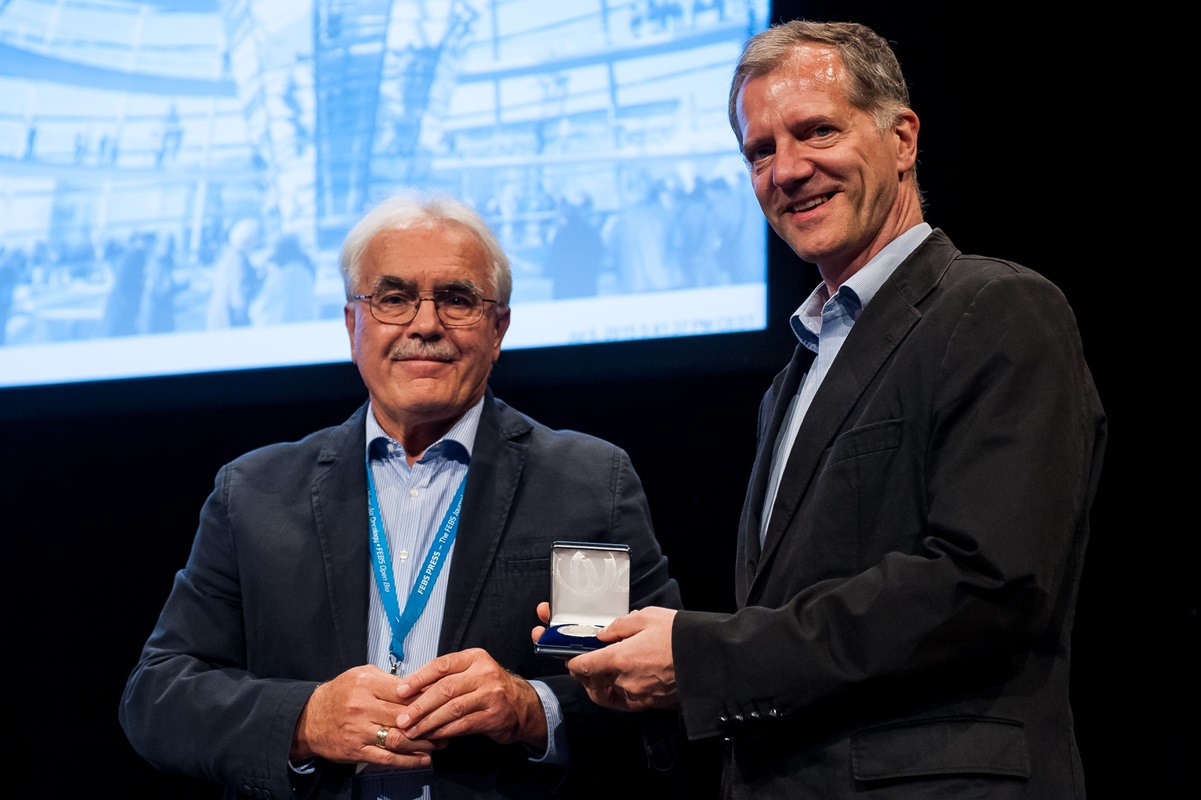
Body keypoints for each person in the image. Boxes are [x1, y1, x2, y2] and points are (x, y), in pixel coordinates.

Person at [555, 19, 1107, 799]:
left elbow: (986, 584)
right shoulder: (795, 373)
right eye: (759, 151)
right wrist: (652, 658)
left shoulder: (996, 307)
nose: (786, 170)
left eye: (816, 131)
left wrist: (705, 656)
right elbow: (800, 612)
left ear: (902, 138)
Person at [121, 192, 682, 800]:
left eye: (458, 299)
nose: (425, 324)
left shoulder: (580, 487)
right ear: (351, 324)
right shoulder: (254, 496)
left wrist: (532, 706)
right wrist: (305, 721)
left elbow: (646, 693)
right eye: (393, 298)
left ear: (499, 329)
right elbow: (160, 697)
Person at [206, 217, 262, 328]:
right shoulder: (239, 262)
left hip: (217, 317)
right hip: (229, 320)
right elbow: (238, 298)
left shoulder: (227, 256)